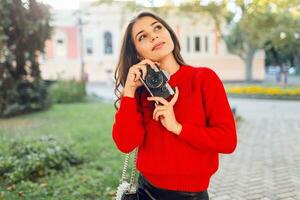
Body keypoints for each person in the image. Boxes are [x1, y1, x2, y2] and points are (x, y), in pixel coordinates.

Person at [112, 11, 237, 200]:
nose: (153, 35)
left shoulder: (203, 79)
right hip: (146, 192)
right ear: (137, 53)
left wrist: (178, 127)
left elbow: (227, 141)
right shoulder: (138, 91)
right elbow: (125, 143)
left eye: (157, 27)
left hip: (192, 195)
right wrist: (129, 91)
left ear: (169, 33)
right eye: (143, 36)